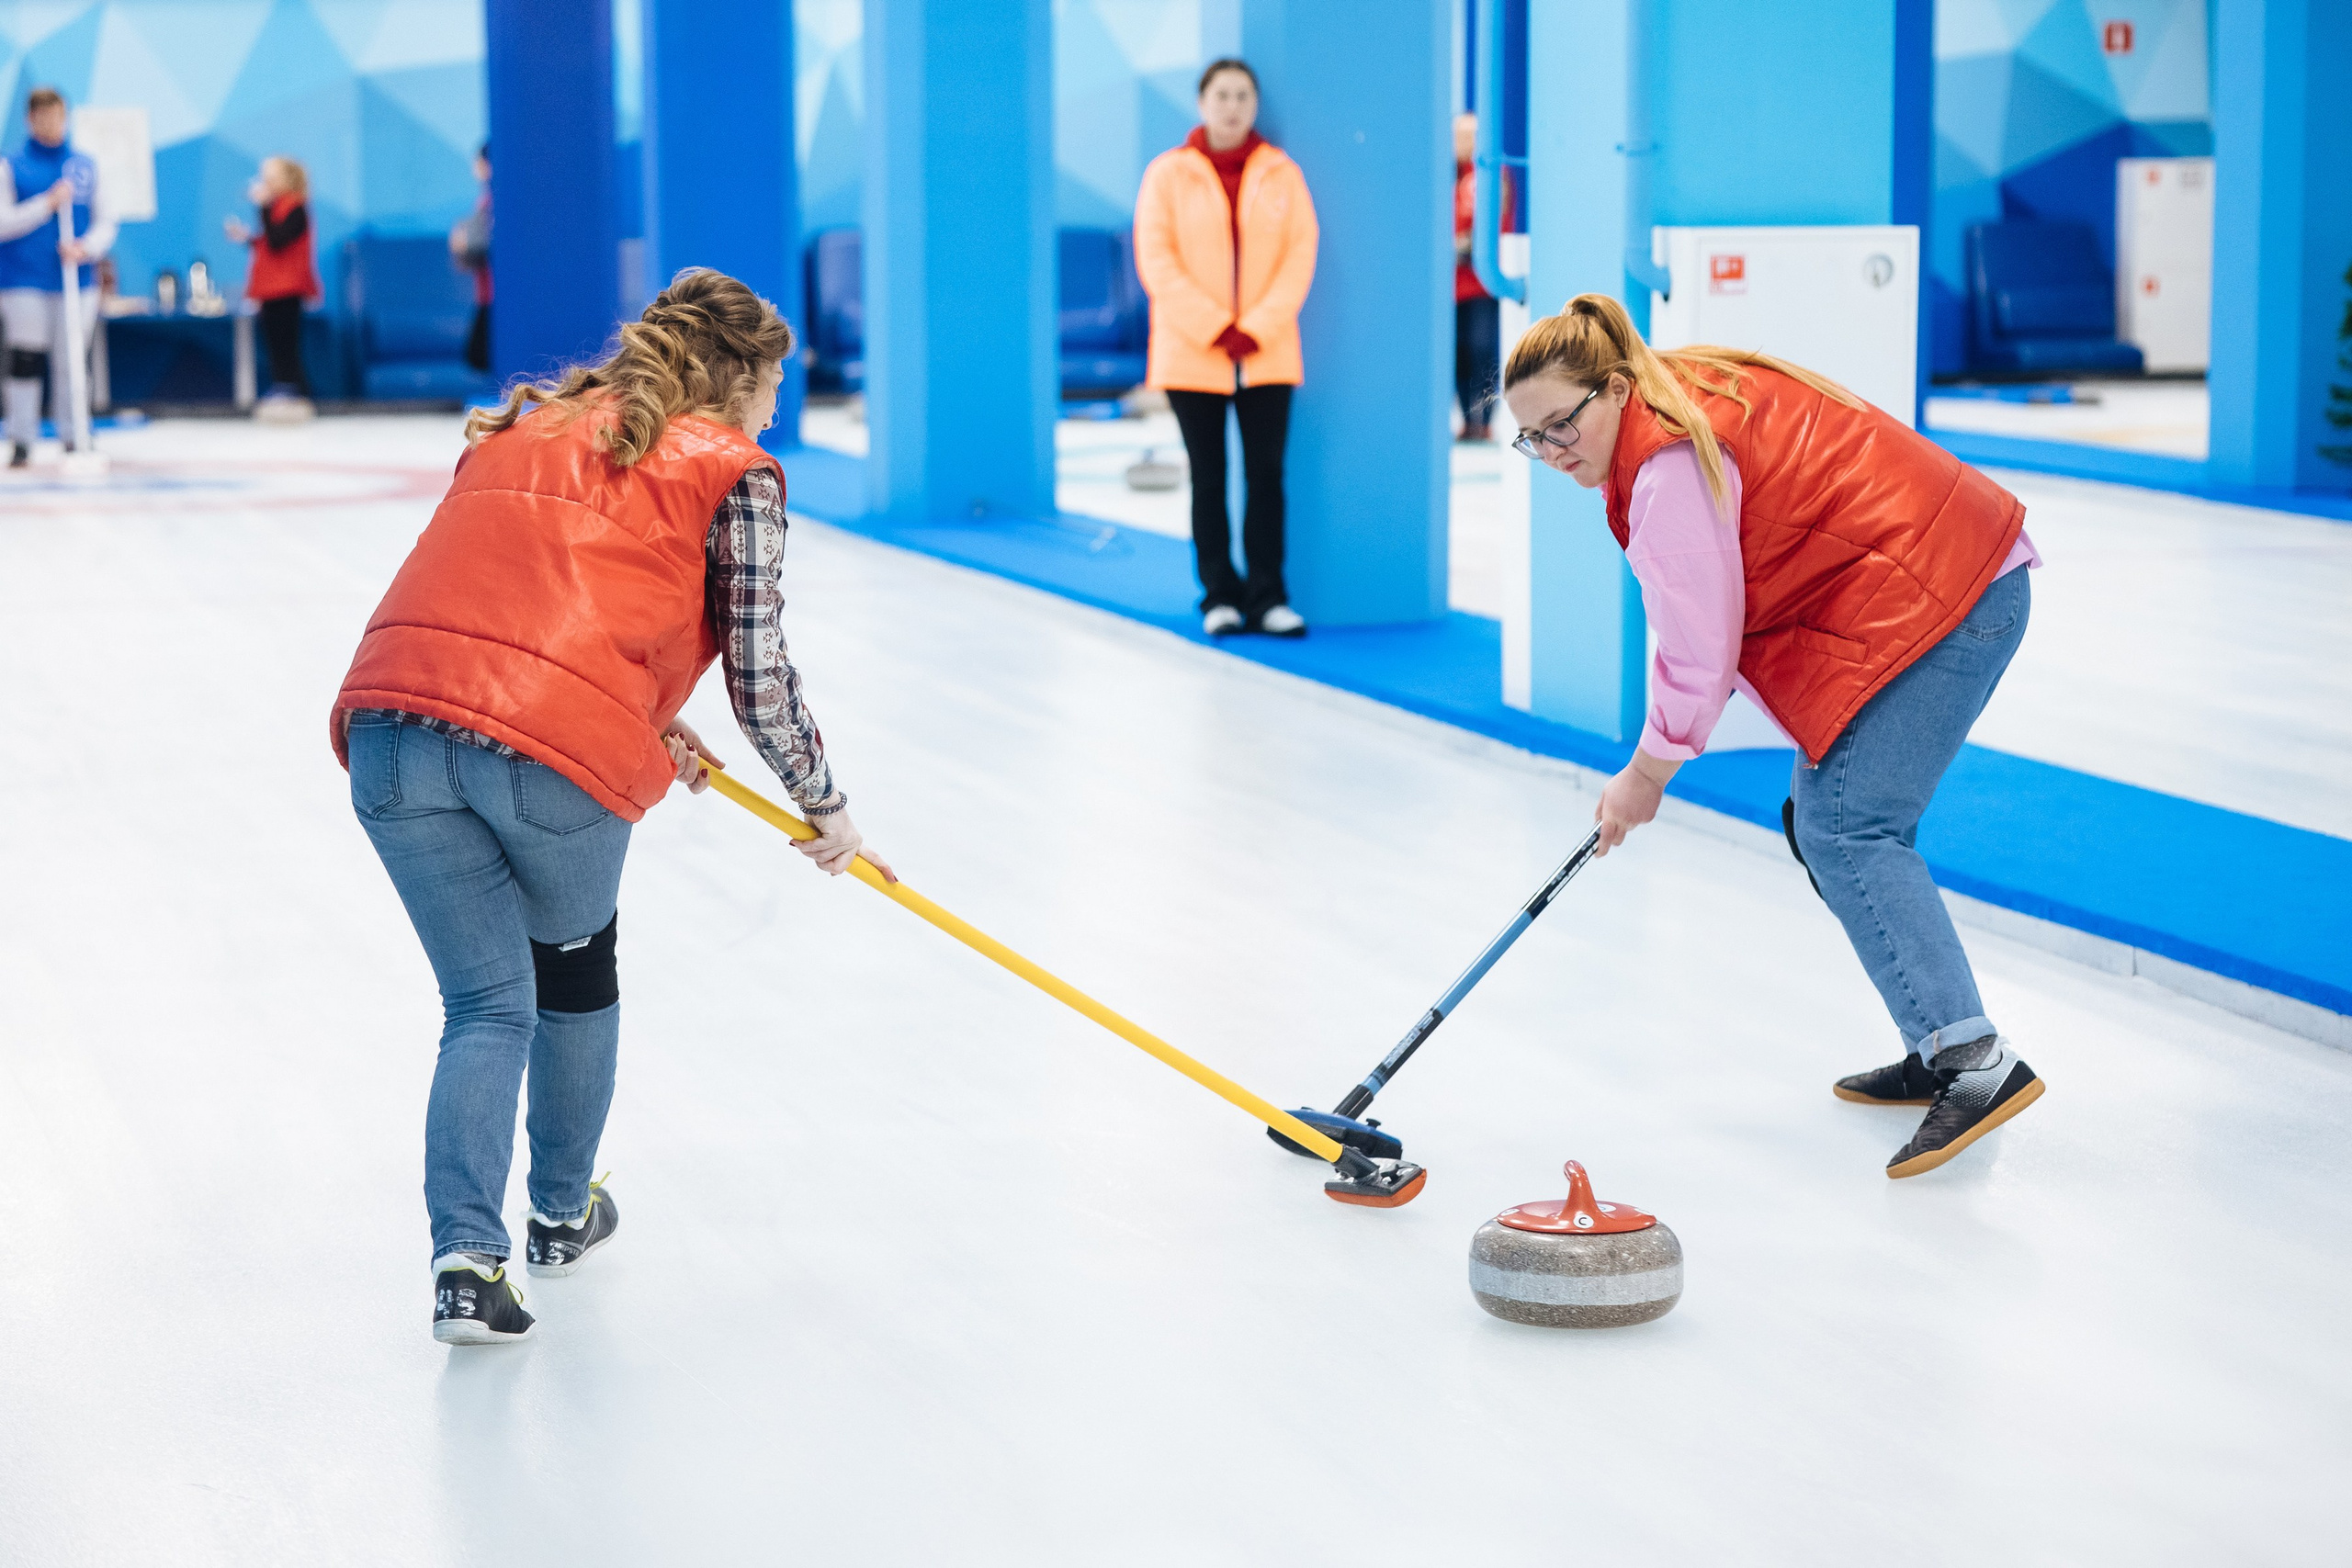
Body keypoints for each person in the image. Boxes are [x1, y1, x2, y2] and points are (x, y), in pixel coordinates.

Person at [330, 269, 892, 1345]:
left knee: (485, 1007)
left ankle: (466, 1266)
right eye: (772, 383)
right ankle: (558, 1210)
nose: (775, 408)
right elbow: (761, 677)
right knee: (573, 976)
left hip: (393, 734)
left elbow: (517, 597)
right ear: (734, 378)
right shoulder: (734, 469)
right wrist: (827, 807)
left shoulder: (527, 425)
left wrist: (638, 708)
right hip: (548, 764)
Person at [1499, 293, 2045, 1180]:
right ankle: (1935, 1030)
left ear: (1612, 387)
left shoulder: (1667, 458)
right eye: (1534, 439)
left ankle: (1970, 1057)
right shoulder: (1670, 395)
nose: (1555, 453)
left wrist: (1647, 772)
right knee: (1830, 822)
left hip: (1946, 597)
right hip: (1934, 579)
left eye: (1563, 424)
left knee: (1847, 828)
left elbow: (1698, 649)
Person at [1133, 57, 1317, 638]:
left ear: (1255, 105)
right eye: (1221, 95)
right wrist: (1215, 326)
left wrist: (1256, 327)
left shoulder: (1282, 173)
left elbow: (1299, 253)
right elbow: (1156, 259)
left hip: (1267, 354)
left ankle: (1269, 596)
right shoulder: (1168, 174)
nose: (1232, 106)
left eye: (1242, 95)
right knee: (1207, 477)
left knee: (1266, 477)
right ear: (1201, 103)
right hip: (1193, 354)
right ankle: (1219, 594)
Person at [0, 85, 114, 468]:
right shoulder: (11, 165)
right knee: (26, 357)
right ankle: (21, 438)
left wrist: (86, 248)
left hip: (75, 281)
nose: (51, 124)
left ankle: (75, 434)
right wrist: (45, 204)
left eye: (58, 115)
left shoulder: (85, 165)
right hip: (23, 279)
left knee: (72, 361)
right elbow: (3, 223)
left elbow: (105, 222)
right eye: (43, 116)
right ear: (30, 119)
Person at [224, 155, 320, 408]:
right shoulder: (276, 208)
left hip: (287, 290)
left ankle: (298, 396)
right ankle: (285, 390)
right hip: (269, 289)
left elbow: (278, 241)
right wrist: (247, 238)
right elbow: (268, 243)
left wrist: (263, 206)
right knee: (275, 348)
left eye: (270, 178)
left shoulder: (296, 208)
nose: (264, 183)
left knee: (287, 347)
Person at [1452, 111, 1508, 442]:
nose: (1463, 143)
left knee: (1482, 350)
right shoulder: (1447, 176)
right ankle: (1465, 418)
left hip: (1481, 285)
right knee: (1457, 354)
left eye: (1470, 136)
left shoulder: (1489, 177)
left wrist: (1460, 246)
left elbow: (1492, 226)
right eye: (1459, 136)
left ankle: (1483, 419)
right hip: (1450, 287)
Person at [449, 142, 492, 373]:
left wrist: (463, 241)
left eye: (479, 162)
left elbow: (479, 244)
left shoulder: (495, 203)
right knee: (478, 354)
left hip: (496, 295)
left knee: (479, 353)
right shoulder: (485, 202)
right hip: (487, 291)